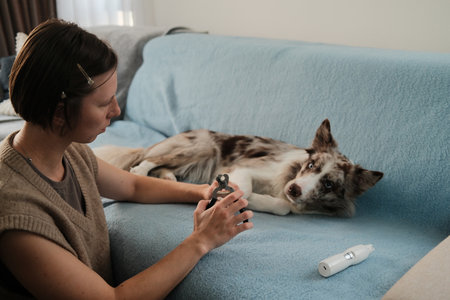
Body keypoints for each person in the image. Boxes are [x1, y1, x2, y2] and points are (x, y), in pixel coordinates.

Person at [0, 19, 253, 299]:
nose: (117, 109)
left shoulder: (69, 151)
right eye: (102, 103)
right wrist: (201, 241)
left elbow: (132, 186)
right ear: (59, 112)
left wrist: (202, 191)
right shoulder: (15, 214)